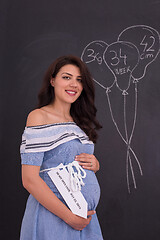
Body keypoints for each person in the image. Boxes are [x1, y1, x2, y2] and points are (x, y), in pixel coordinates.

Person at [20, 55, 103, 239]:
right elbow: (29, 179)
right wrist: (69, 217)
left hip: (84, 219)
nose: (74, 84)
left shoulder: (80, 122)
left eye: (79, 80)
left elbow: (67, 161)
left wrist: (94, 165)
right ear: (52, 80)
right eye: (66, 77)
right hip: (55, 217)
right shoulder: (39, 117)